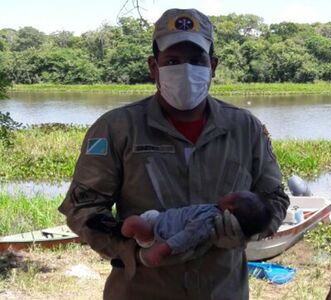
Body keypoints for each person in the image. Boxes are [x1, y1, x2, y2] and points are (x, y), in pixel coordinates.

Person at [58, 8, 290, 300]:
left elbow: (276, 199)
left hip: (223, 290)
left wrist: (248, 230)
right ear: (154, 67)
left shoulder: (245, 128)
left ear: (213, 66)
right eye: (173, 61)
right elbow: (83, 209)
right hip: (141, 291)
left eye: (196, 60)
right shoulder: (116, 128)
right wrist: (136, 251)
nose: (185, 70)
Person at [121, 191, 271, 267]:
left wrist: (161, 250)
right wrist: (133, 256)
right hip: (159, 221)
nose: (228, 192)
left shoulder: (208, 220)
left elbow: (187, 236)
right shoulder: (214, 210)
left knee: (131, 224)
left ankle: (124, 234)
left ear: (230, 208)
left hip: (158, 233)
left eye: (232, 195)